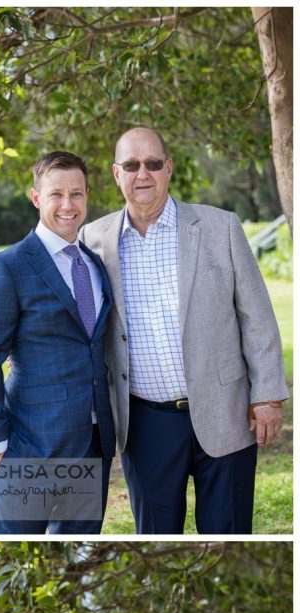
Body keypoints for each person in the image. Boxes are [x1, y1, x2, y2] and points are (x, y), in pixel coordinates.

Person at [80, 126, 288, 534]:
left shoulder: (220, 227)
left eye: (153, 164)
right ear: (116, 174)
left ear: (169, 168)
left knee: (228, 536)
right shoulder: (93, 240)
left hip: (226, 412)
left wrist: (267, 396)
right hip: (144, 423)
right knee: (156, 536)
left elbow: (257, 318)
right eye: (132, 165)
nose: (144, 174)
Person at [0, 151, 115, 534]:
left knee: (74, 557)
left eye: (77, 194)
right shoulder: (6, 268)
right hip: (29, 447)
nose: (68, 205)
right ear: (36, 198)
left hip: (93, 443)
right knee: (18, 553)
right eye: (56, 195)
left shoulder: (94, 264)